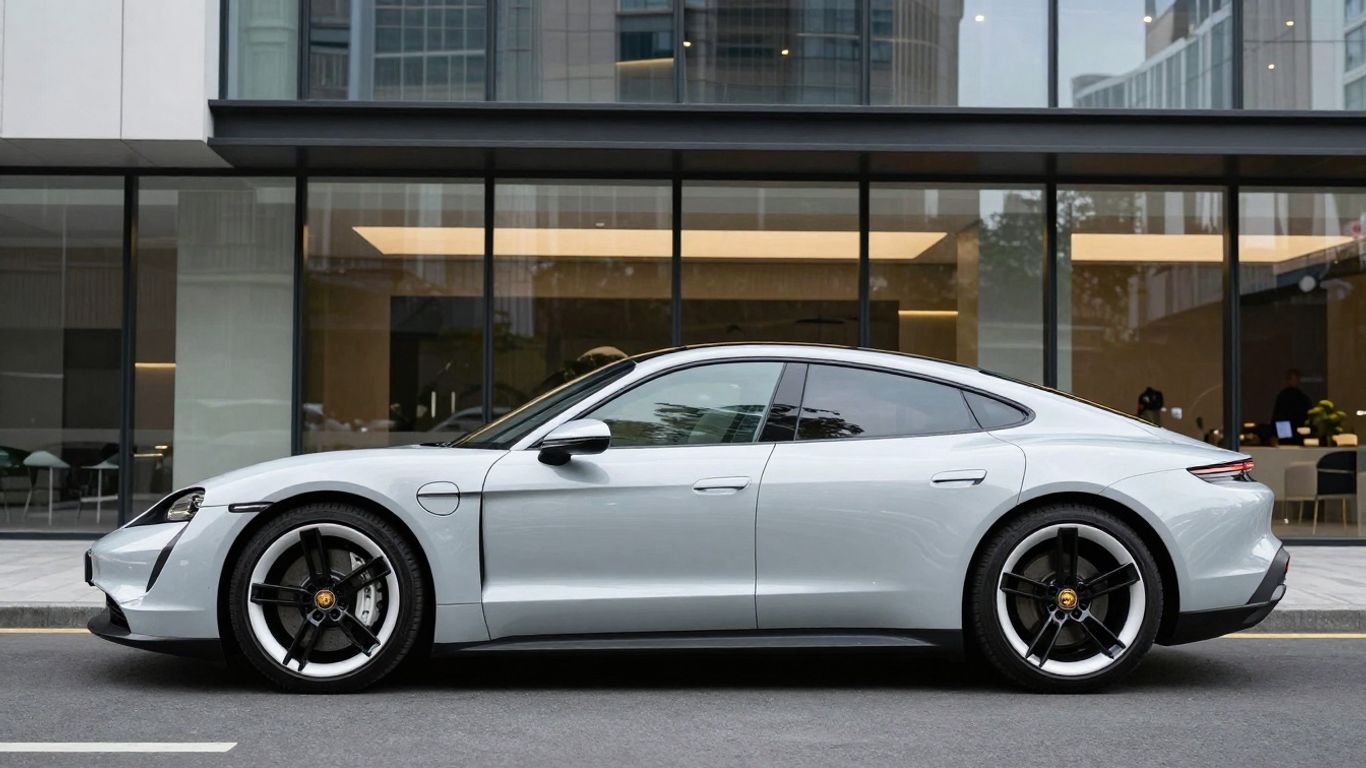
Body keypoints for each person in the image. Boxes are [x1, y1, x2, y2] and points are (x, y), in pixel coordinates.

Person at [1272, 368, 1312, 444]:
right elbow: (1279, 415)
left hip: (1299, 432)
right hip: (1286, 432)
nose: (1296, 381)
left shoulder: (1303, 397)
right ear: (1288, 380)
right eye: (1293, 379)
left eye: (1297, 379)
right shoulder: (1283, 396)